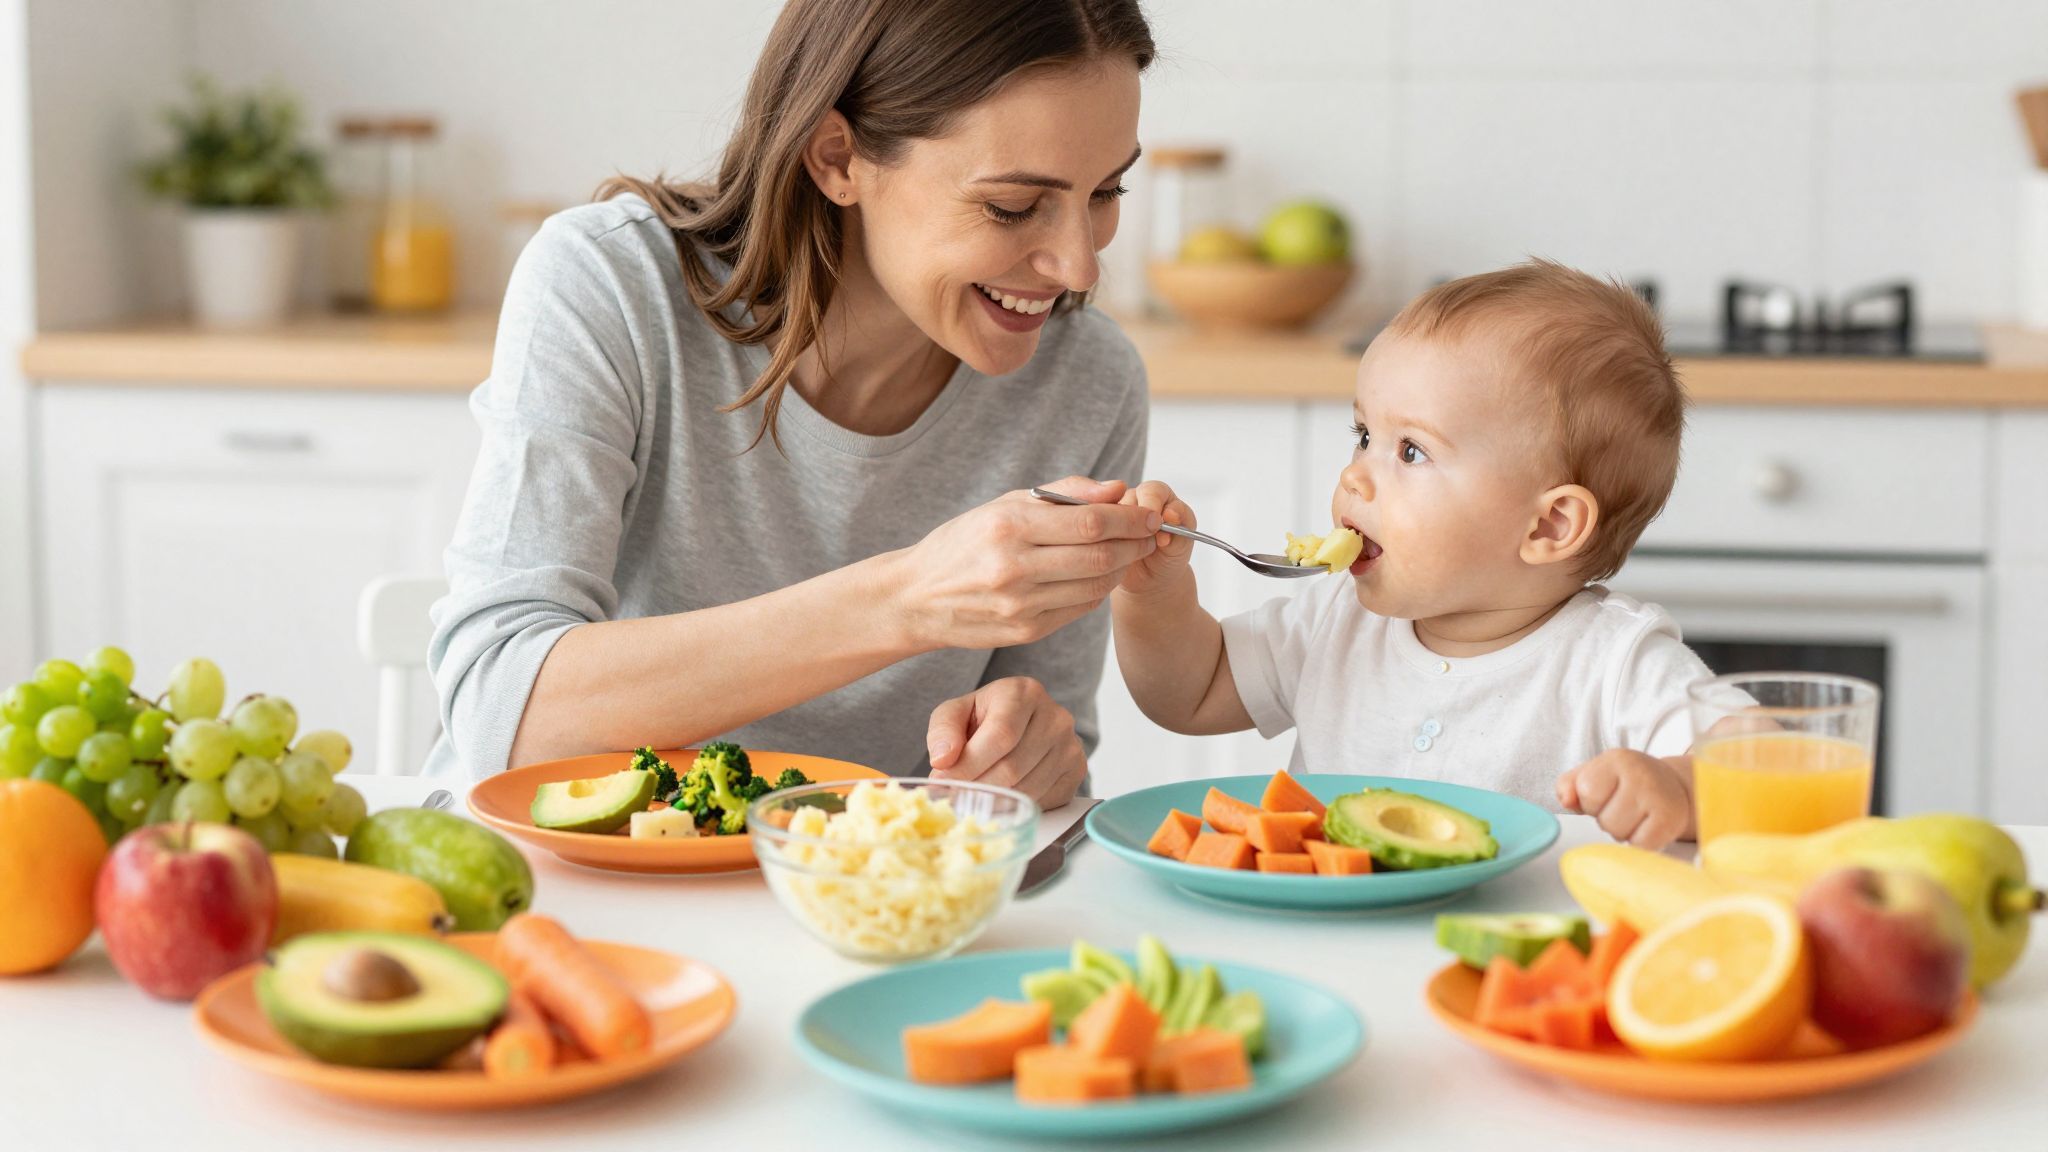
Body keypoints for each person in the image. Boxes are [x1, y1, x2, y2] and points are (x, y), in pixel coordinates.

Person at [424, 0, 1161, 808]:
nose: (1079, 266)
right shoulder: (609, 286)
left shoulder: (1087, 380)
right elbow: (501, 707)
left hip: (858, 902)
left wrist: (1030, 750)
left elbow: (1049, 761)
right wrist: (907, 598)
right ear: (837, 157)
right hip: (573, 877)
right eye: (1013, 206)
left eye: (1105, 191)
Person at [1110, 260, 1713, 849]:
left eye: (1411, 452)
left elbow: (1762, 763)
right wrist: (1151, 594)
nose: (1354, 476)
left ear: (1549, 524)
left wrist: (1678, 788)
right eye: (1364, 436)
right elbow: (1191, 691)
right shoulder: (1334, 621)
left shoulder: (1614, 661)